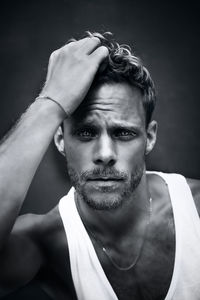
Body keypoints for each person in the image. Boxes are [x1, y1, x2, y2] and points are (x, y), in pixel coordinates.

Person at [0, 31, 200, 300]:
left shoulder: (195, 208)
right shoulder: (46, 241)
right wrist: (49, 103)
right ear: (59, 138)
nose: (105, 154)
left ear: (149, 137)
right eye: (85, 133)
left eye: (123, 133)